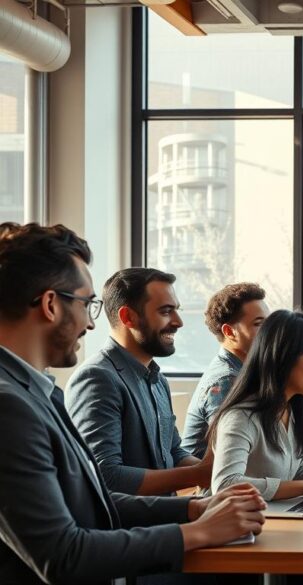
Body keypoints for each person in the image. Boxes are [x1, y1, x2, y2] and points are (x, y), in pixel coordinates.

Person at [0, 222, 266, 585]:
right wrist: (199, 531)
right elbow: (62, 556)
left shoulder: (38, 391)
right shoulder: (10, 405)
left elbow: (93, 498)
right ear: (49, 304)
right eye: (86, 304)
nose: (90, 325)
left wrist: (194, 508)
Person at [68, 267, 212, 496]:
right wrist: (197, 474)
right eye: (166, 311)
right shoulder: (97, 378)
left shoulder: (158, 380)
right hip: (135, 529)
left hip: (169, 518)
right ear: (128, 317)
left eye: (176, 310)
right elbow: (105, 476)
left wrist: (219, 473)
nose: (178, 321)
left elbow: (173, 451)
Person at [210, 309, 303, 501]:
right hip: (243, 524)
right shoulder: (240, 417)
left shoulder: (296, 409)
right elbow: (225, 485)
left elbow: (299, 466)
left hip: (275, 516)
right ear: (284, 357)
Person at [182, 282, 269, 458]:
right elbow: (232, 452)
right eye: (259, 324)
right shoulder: (226, 379)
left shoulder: (247, 371)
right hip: (207, 483)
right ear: (229, 332)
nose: (269, 331)